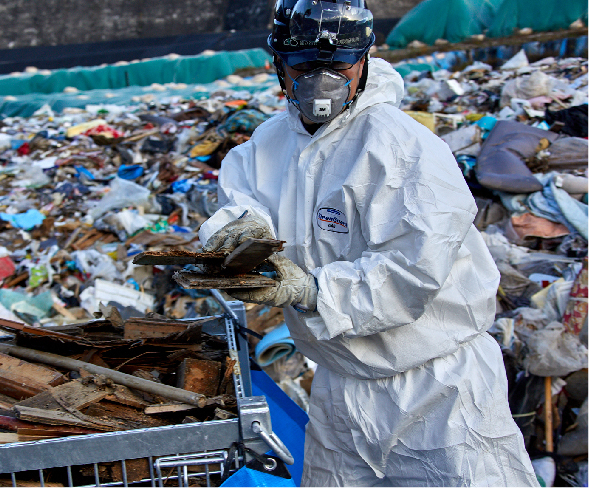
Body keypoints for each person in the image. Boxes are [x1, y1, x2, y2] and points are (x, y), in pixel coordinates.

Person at [198, 0, 539, 485]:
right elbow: (238, 202)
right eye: (304, 66)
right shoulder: (268, 145)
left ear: (364, 60)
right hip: (339, 389)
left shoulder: (402, 147)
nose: (321, 80)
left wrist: (312, 289)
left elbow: (413, 272)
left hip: (437, 391)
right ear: (279, 66)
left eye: (336, 65)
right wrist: (239, 236)